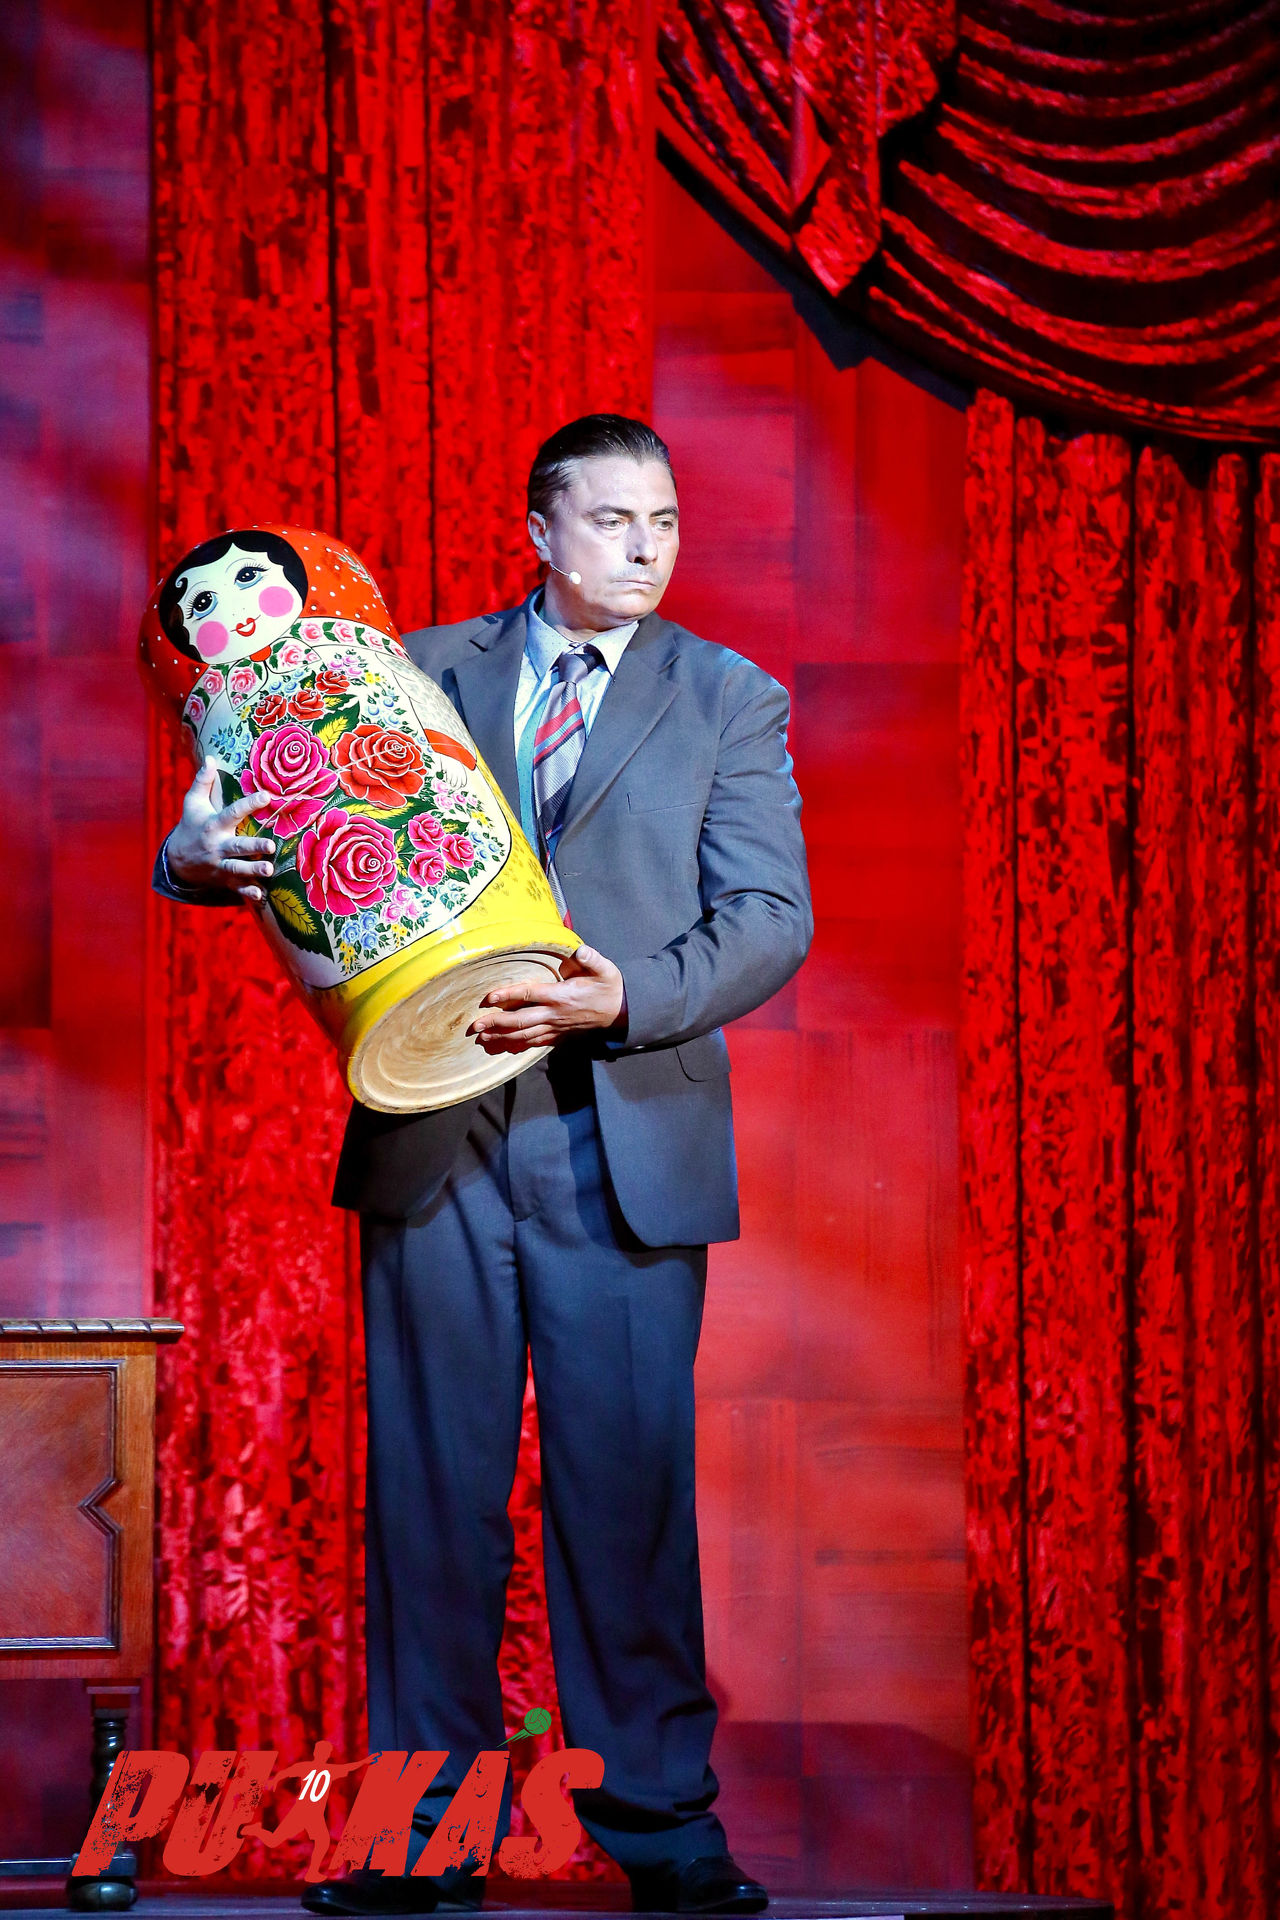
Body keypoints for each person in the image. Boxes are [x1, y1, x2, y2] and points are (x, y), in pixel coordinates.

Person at [154, 414, 813, 1917]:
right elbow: (248, 822)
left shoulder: (729, 696)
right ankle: (419, 1837)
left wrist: (625, 997)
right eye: (614, 520)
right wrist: (192, 858)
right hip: (434, 1137)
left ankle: (663, 1828)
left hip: (621, 1138)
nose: (646, 548)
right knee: (430, 1500)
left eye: (665, 522)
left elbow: (770, 917)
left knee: (627, 1500)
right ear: (539, 529)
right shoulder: (404, 669)